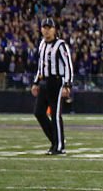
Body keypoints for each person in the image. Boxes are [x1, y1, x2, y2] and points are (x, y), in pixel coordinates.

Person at [31, 17, 74, 155]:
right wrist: (36, 82)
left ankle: (60, 146)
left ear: (54, 30)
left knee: (55, 114)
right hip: (44, 82)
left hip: (56, 81)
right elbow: (41, 66)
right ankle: (56, 141)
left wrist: (68, 85)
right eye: (44, 27)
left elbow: (68, 66)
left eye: (49, 28)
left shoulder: (61, 45)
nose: (46, 30)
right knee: (38, 112)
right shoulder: (42, 44)